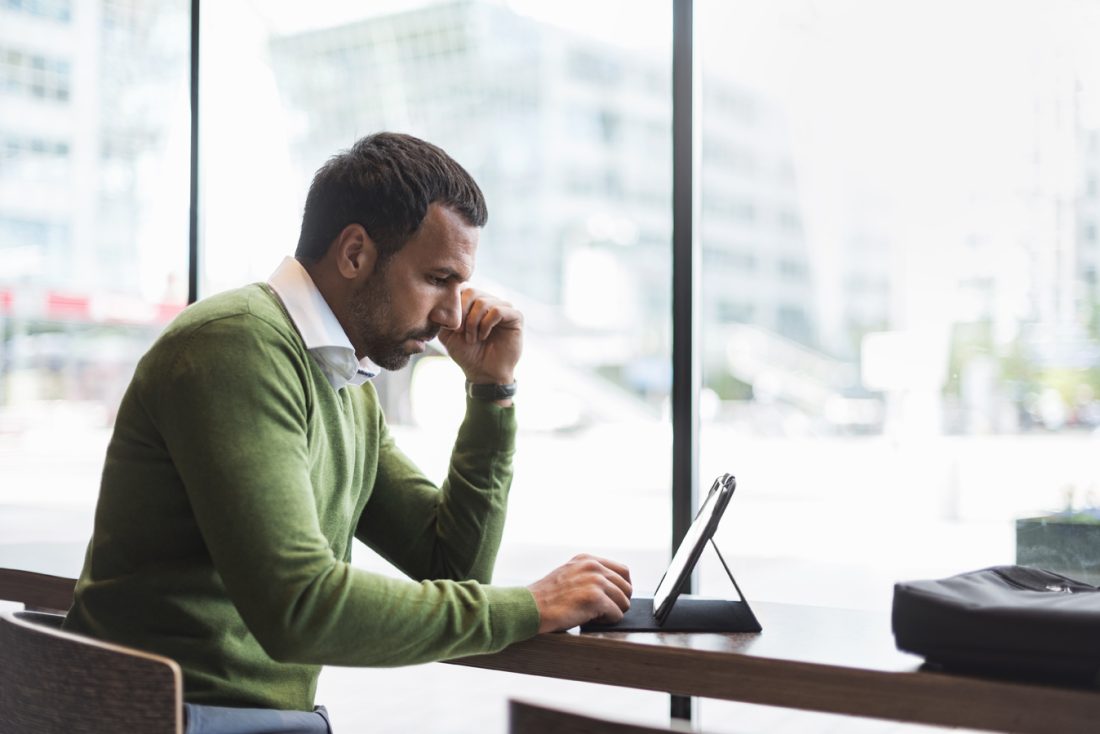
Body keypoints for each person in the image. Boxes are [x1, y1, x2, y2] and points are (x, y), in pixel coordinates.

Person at [63, 132, 632, 733]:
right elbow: (300, 607)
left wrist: (492, 392)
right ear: (355, 253)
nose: (454, 314)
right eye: (438, 278)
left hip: (237, 720)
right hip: (163, 718)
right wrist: (530, 606)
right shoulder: (238, 345)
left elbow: (453, 568)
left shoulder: (344, 381)